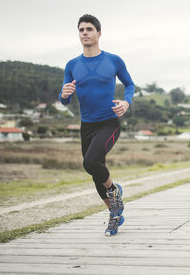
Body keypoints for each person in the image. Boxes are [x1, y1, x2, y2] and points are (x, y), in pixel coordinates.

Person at [59, 14, 135, 236]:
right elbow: (65, 99)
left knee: (91, 161)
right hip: (87, 125)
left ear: (98, 33)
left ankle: (114, 191)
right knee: (93, 169)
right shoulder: (72, 65)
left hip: (109, 122)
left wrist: (126, 102)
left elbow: (129, 84)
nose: (85, 33)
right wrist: (63, 95)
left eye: (89, 29)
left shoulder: (113, 60)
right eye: (81, 30)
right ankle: (114, 214)